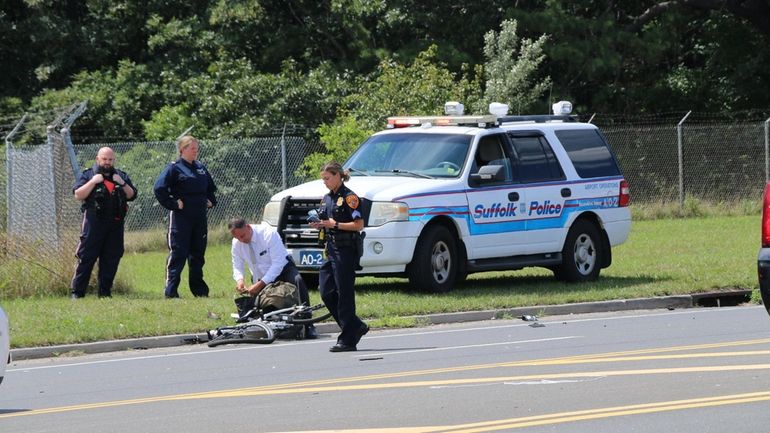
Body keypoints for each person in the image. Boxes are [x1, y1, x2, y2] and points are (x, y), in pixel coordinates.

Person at [308, 162, 368, 352]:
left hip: (346, 249)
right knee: (326, 291)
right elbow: (327, 221)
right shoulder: (326, 199)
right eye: (323, 179)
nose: (324, 182)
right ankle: (355, 325)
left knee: (345, 294)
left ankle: (348, 339)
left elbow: (359, 225)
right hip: (331, 249)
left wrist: (335, 225)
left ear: (338, 176)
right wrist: (321, 224)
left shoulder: (349, 197)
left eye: (327, 178)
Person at [228, 218, 317, 339]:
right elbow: (237, 265)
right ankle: (268, 325)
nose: (241, 240)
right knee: (258, 306)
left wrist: (262, 283)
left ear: (248, 227)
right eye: (238, 238)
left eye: (243, 236)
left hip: (283, 269)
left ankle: (308, 324)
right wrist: (240, 280)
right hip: (259, 276)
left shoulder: (268, 233)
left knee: (298, 281)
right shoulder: (236, 243)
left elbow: (278, 263)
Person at [153, 135, 217, 298]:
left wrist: (210, 201)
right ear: (183, 150)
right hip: (181, 218)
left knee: (197, 254)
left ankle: (199, 291)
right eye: (192, 148)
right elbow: (159, 188)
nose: (196, 151)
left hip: (199, 217)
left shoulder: (200, 167)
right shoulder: (174, 168)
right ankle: (171, 291)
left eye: (197, 148)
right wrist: (173, 204)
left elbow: (210, 188)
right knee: (178, 253)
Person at [71, 147, 137, 298]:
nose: (107, 162)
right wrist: (93, 182)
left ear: (113, 160)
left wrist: (122, 183)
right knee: (86, 257)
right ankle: (77, 293)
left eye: (110, 159)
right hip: (94, 223)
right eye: (104, 159)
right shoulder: (89, 174)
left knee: (111, 258)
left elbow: (132, 194)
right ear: (98, 159)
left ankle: (105, 293)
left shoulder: (120, 175)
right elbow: (78, 194)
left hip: (115, 224)